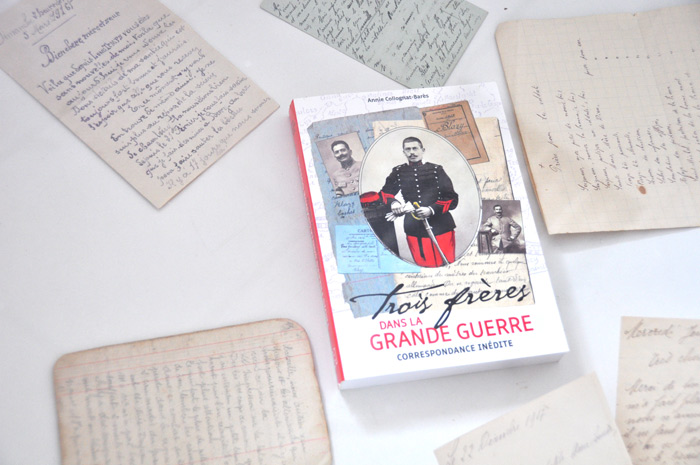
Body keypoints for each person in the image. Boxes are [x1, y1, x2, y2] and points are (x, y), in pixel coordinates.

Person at [379, 136, 459, 267]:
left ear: (423, 150)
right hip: (414, 227)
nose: (412, 152)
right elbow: (384, 193)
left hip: (441, 225)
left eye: (415, 148)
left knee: (446, 263)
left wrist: (431, 210)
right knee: (424, 266)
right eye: (408, 149)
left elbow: (452, 198)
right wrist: (394, 203)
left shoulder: (436, 170)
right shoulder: (398, 171)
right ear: (404, 152)